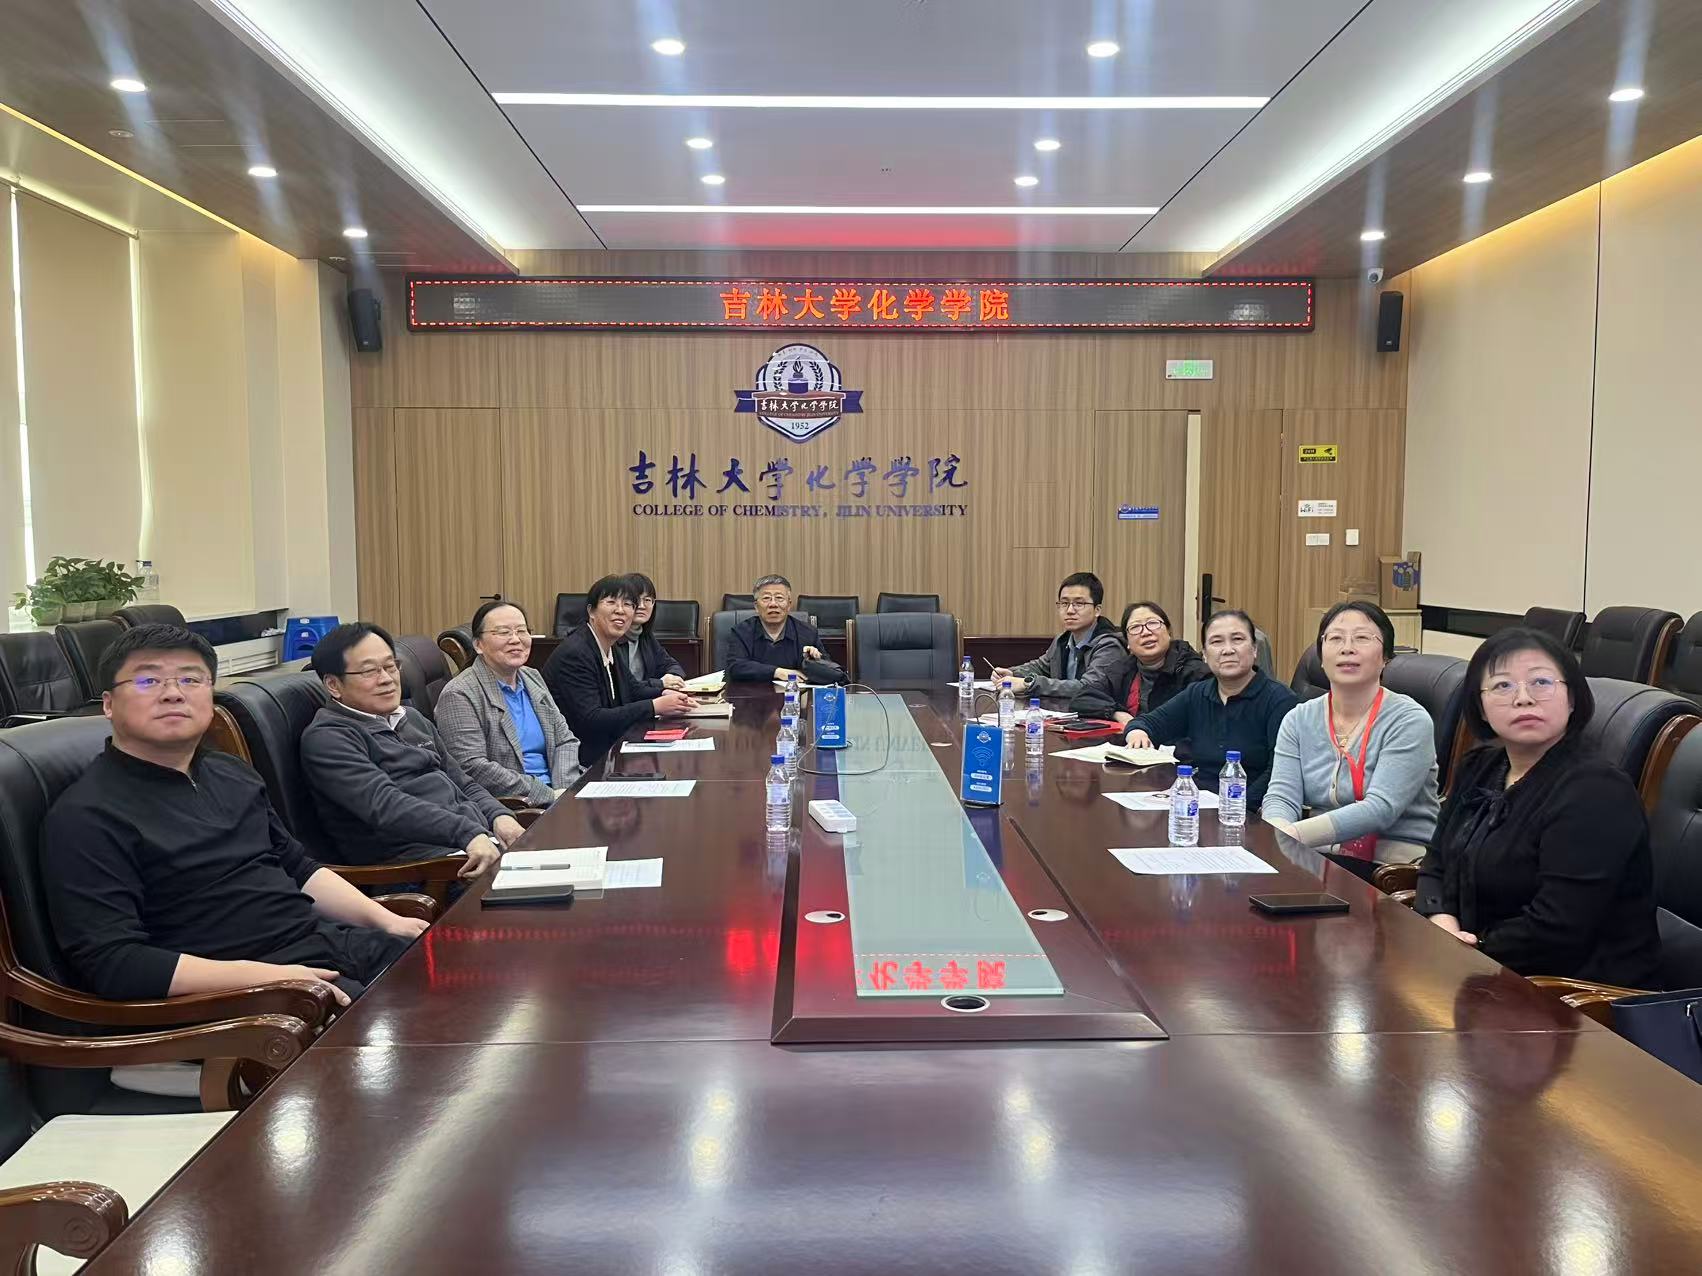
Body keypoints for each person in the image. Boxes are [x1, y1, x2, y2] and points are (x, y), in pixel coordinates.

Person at [43, 624, 427, 1007]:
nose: (173, 693)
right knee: (419, 1024)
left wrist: (386, 920)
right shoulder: (87, 816)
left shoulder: (230, 772)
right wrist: (269, 977)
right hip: (239, 995)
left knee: (443, 967)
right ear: (109, 704)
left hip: (321, 947)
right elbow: (114, 963)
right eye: (148, 681)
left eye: (191, 679)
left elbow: (297, 867)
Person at [1416, 628, 1660, 987]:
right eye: (1502, 686)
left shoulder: (1597, 790)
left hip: (1573, 995)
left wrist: (1468, 951)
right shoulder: (1480, 766)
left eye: (1541, 682)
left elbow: (1557, 929)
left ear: (1572, 698)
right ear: (1480, 708)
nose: (1523, 699)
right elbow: (1436, 862)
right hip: (1479, 969)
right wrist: (1440, 920)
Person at [301, 622, 518, 873]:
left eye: (391, 666)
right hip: (424, 869)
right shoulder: (329, 738)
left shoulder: (411, 718)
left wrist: (498, 815)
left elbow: (462, 782)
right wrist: (467, 833)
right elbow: (386, 806)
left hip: (474, 845)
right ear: (333, 685)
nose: (387, 679)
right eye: (369, 671)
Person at [1262, 601, 1441, 877]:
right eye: (1335, 638)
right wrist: (1276, 831)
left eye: (1362, 638)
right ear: (1321, 656)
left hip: (1392, 864)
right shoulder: (1298, 719)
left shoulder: (1408, 720)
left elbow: (1381, 808)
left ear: (1386, 656)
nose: (1347, 648)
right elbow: (1281, 796)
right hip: (1317, 856)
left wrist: (1292, 836)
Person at [1122, 609, 1297, 807]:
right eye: (1216, 642)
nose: (1228, 650)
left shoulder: (1280, 701)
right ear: (1204, 654)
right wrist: (1137, 732)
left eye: (1237, 639)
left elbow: (1279, 775)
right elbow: (1149, 722)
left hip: (1248, 810)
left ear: (1255, 649)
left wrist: (1235, 807)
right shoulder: (1198, 693)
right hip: (1197, 805)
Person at [435, 600, 585, 806]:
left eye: (522, 631)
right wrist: (548, 795)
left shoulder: (532, 677)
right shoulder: (459, 694)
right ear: (478, 645)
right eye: (503, 632)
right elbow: (472, 767)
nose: (515, 639)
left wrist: (564, 792)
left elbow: (564, 740)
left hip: (559, 794)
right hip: (516, 806)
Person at [543, 573, 697, 765]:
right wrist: (654, 706)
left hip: (608, 749)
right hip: (580, 759)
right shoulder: (576, 653)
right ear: (591, 611)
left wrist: (664, 692)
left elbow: (632, 689)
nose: (620, 610)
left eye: (628, 604)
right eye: (611, 602)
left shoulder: (609, 645)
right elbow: (592, 719)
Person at [1070, 600, 1210, 725]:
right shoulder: (1123, 669)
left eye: (1153, 623)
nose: (1146, 632)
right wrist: (1117, 713)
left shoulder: (1194, 671)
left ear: (1169, 632)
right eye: (1135, 627)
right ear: (1128, 643)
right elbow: (1082, 699)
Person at [995, 572, 1124, 699]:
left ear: (1097, 610)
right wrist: (1013, 673)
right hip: (1064, 710)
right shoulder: (1063, 640)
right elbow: (1041, 667)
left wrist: (1028, 683)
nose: (1070, 610)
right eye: (1064, 603)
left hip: (1096, 712)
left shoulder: (1109, 645)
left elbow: (1088, 687)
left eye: (1079, 604)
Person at [726, 574, 824, 682]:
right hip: (751, 692)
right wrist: (777, 672)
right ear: (756, 606)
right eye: (766, 598)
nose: (773, 604)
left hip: (794, 692)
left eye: (779, 598)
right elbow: (735, 667)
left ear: (789, 605)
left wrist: (816, 662)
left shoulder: (808, 633)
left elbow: (831, 672)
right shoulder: (741, 632)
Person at [621, 573, 689, 692]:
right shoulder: (611, 638)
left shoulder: (645, 636)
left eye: (647, 600)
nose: (642, 606)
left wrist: (672, 676)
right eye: (635, 599)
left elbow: (671, 664)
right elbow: (623, 687)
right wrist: (660, 683)